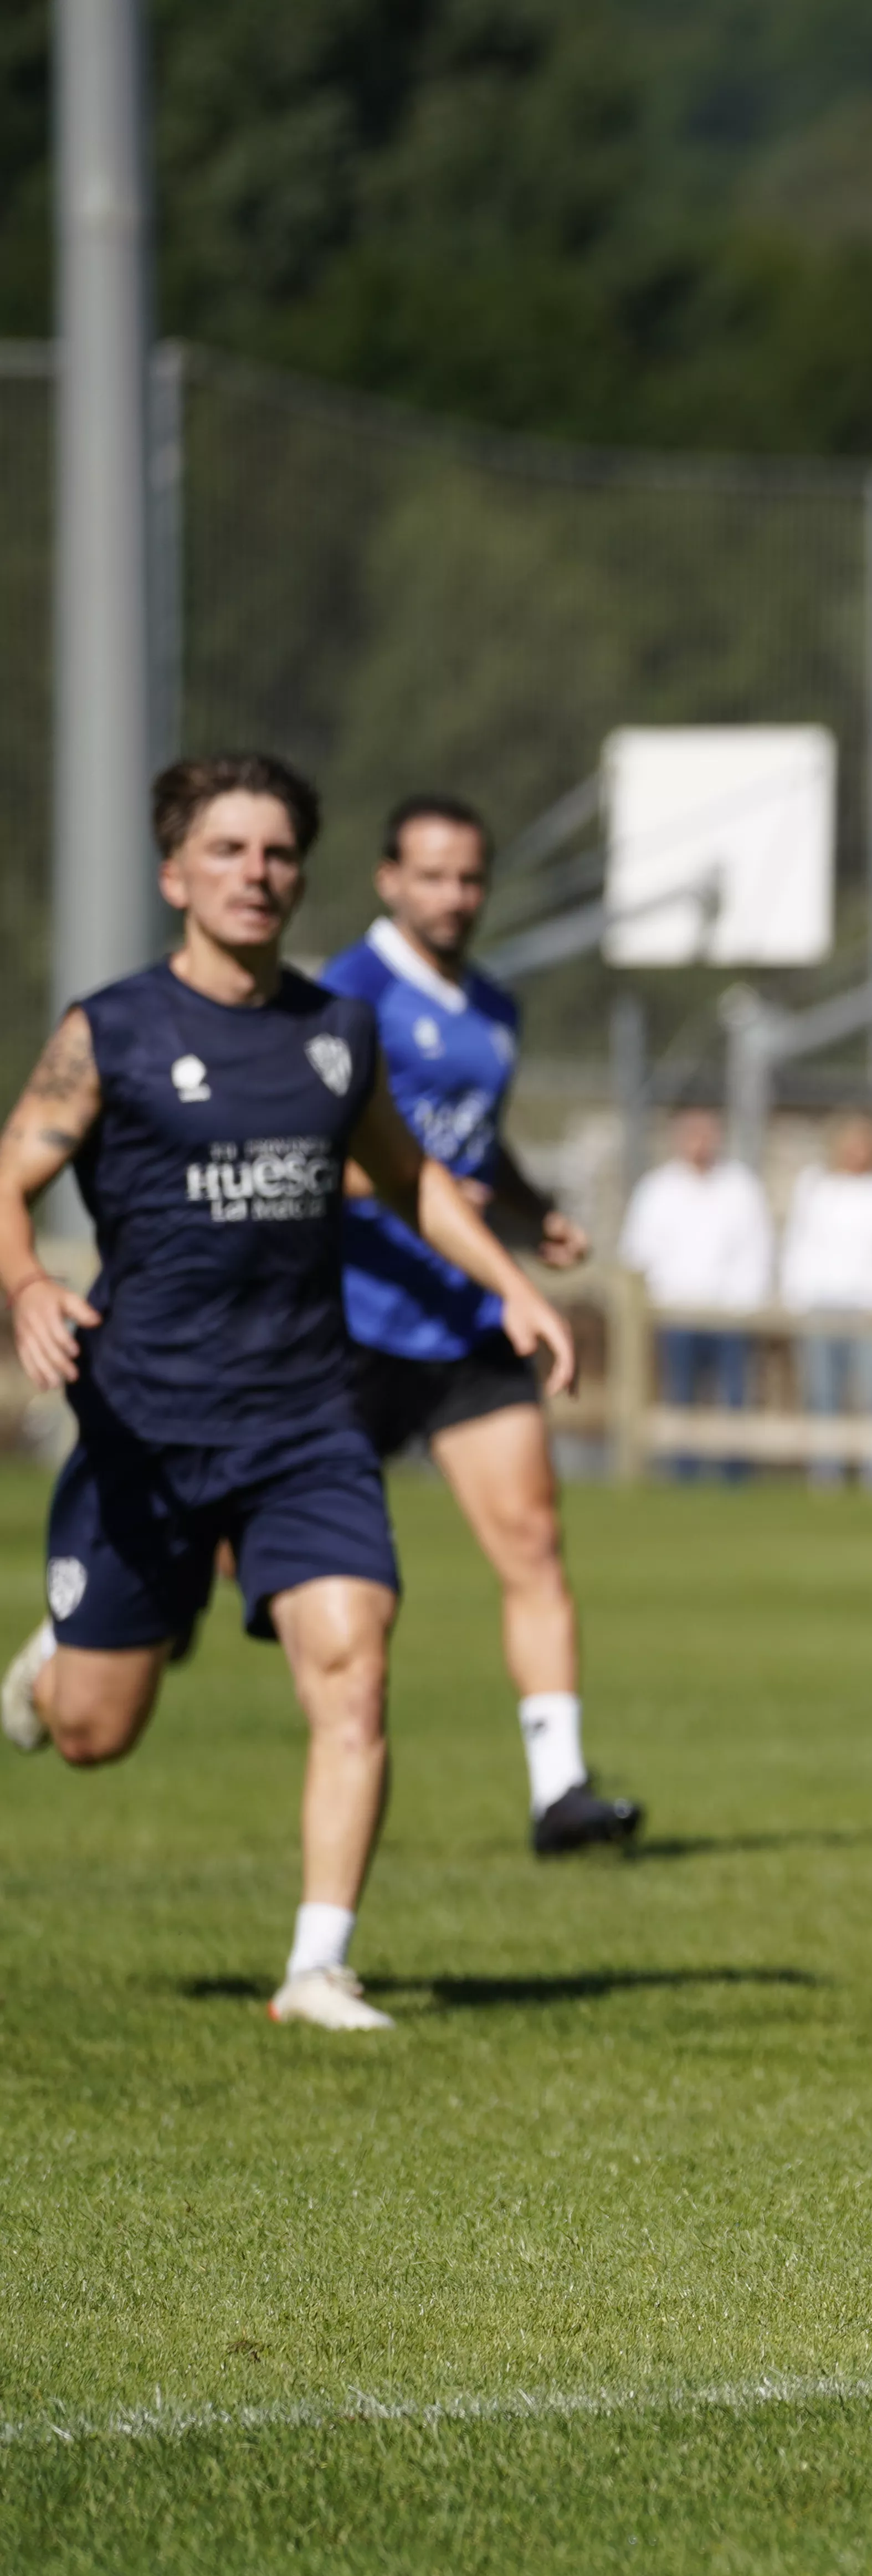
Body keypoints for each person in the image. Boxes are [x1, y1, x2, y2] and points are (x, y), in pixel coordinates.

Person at [0, 753, 581, 2027]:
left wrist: (514, 1288)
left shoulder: (335, 1031)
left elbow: (414, 1175)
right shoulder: (114, 1031)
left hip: (305, 1420)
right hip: (147, 1422)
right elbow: (11, 1170)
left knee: (354, 1665)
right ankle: (52, 1666)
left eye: (274, 853)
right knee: (98, 1731)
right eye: (226, 850)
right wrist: (29, 1287)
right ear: (174, 874)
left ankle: (318, 1963)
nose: (255, 873)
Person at [322, 793, 641, 1857]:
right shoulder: (342, 993)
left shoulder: (494, 1007)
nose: (453, 896)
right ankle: (94, 1628)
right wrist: (419, 1194)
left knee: (533, 1539)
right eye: (431, 875)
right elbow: (305, 1152)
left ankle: (562, 1791)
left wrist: (527, 1205)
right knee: (238, 1556)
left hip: (464, 1320)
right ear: (387, 879)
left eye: (469, 877)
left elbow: (474, 1146)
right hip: (350, 1320)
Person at [776, 1113, 872, 1488]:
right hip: (823, 1307)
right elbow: (799, 1247)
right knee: (823, 1396)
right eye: (850, 1142)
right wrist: (798, 1299)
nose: (857, 1152)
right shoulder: (815, 1187)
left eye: (865, 1142)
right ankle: (825, 1476)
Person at [620, 1106, 770, 1480]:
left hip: (730, 1313)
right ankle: (682, 1474)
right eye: (692, 1134)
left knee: (734, 1397)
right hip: (673, 1312)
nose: (700, 1143)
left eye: (707, 1133)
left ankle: (734, 1476)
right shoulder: (657, 1189)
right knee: (680, 1396)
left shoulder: (741, 1186)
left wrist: (743, 1302)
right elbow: (639, 1250)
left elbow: (757, 1249)